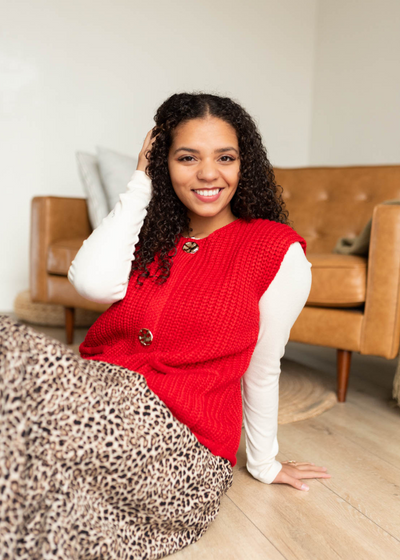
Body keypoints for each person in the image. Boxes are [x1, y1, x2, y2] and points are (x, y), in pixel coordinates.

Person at [0, 92, 331, 560]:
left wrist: (263, 462)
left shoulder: (274, 249)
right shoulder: (148, 237)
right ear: (162, 163)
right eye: (187, 157)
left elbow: (262, 364)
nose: (208, 174)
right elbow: (91, 283)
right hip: (98, 401)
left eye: (225, 157)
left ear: (245, 164)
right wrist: (139, 183)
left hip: (178, 447)